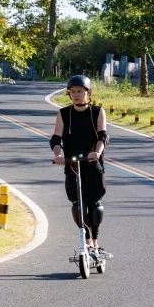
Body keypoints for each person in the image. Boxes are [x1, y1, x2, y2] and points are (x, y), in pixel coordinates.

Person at [49, 75, 108, 254]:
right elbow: (56, 138)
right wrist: (58, 154)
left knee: (94, 203)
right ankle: (86, 239)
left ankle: (95, 241)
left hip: (92, 163)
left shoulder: (97, 111)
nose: (76, 95)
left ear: (88, 92)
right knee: (77, 204)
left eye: (80, 91)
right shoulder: (64, 113)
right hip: (72, 164)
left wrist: (97, 152)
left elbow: (102, 136)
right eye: (73, 92)